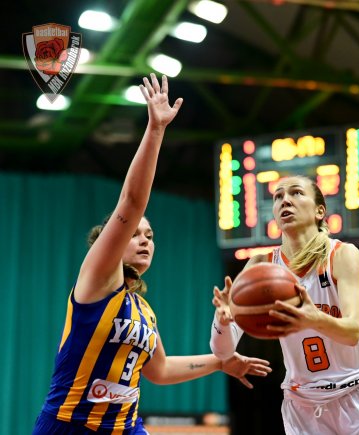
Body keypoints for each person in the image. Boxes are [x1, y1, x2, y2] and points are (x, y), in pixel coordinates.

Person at [33, 74, 271, 434]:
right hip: (71, 425)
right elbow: (132, 201)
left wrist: (220, 364)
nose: (145, 240)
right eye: (135, 234)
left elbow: (158, 371)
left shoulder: (144, 310)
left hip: (126, 427)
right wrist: (155, 130)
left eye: (151, 235)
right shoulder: (98, 279)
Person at [210, 175, 359, 434]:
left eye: (296, 193)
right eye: (278, 196)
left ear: (319, 211)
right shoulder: (260, 266)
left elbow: (352, 332)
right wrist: (222, 320)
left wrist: (313, 318)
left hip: (358, 393)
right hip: (303, 406)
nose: (285, 200)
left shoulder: (342, 254)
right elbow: (222, 352)